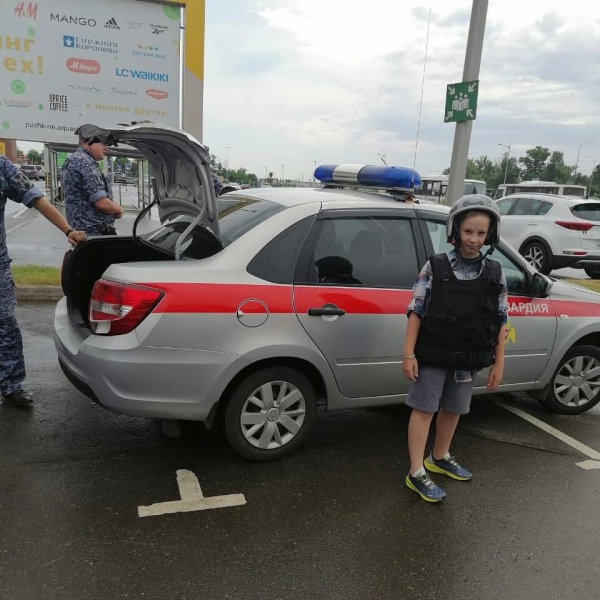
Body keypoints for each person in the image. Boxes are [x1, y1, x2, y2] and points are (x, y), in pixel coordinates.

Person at [402, 194, 508, 502]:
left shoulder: (495, 272)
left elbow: (502, 319)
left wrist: (499, 362)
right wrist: (408, 354)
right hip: (433, 356)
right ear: (455, 230)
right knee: (424, 409)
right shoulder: (435, 266)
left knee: (454, 409)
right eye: (468, 232)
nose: (474, 239)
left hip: (469, 358)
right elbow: (416, 310)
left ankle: (440, 455)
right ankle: (416, 471)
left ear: (490, 235)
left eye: (481, 233)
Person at [0, 155, 86, 408]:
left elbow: (36, 198)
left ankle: (11, 385)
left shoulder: (2, 165)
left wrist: (68, 230)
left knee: (5, 326)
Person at [61, 124, 124, 236]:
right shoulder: (86, 163)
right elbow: (102, 204)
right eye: (102, 143)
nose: (106, 148)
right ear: (89, 141)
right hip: (95, 233)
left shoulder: (71, 160)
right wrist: (118, 209)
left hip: (81, 231)